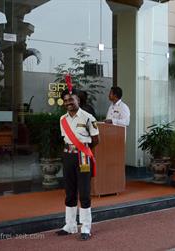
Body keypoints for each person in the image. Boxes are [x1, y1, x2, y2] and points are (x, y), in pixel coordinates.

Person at [56, 88, 99, 241]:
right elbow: (65, 138)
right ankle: (70, 225)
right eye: (66, 100)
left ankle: (86, 227)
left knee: (85, 192)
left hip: (83, 156)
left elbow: (95, 140)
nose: (68, 102)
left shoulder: (88, 118)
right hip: (68, 155)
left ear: (78, 100)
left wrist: (83, 150)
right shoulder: (62, 119)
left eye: (71, 99)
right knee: (69, 191)